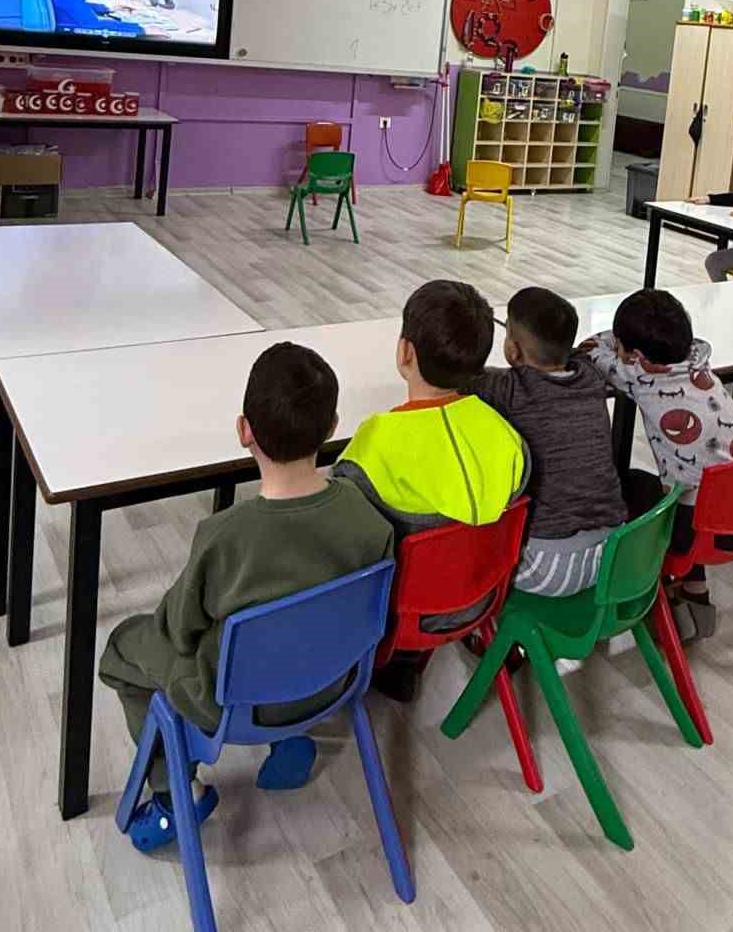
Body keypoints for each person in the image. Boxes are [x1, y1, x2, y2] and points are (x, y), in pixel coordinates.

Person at [99, 343, 394, 853]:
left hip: (236, 707)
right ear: (332, 428)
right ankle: (291, 742)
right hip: (333, 683)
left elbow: (177, 630)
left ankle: (173, 793)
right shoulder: (367, 516)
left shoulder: (224, 536)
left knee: (124, 647)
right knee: (298, 625)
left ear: (244, 431)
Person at [333, 280, 528, 699]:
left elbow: (340, 514)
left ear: (404, 353)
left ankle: (394, 664)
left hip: (400, 615)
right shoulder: (506, 435)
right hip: (483, 596)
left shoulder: (376, 439)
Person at [578, 289, 733, 637]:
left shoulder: (641, 377)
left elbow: (588, 350)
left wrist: (616, 340)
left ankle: (643, 597)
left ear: (637, 356)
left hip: (699, 530)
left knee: (630, 486)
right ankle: (694, 594)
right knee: (688, 489)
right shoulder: (699, 362)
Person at [472, 287, 626, 597]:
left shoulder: (508, 389)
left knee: (472, 533)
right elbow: (597, 343)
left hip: (548, 567)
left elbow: (459, 376)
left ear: (513, 350)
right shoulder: (590, 374)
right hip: (618, 552)